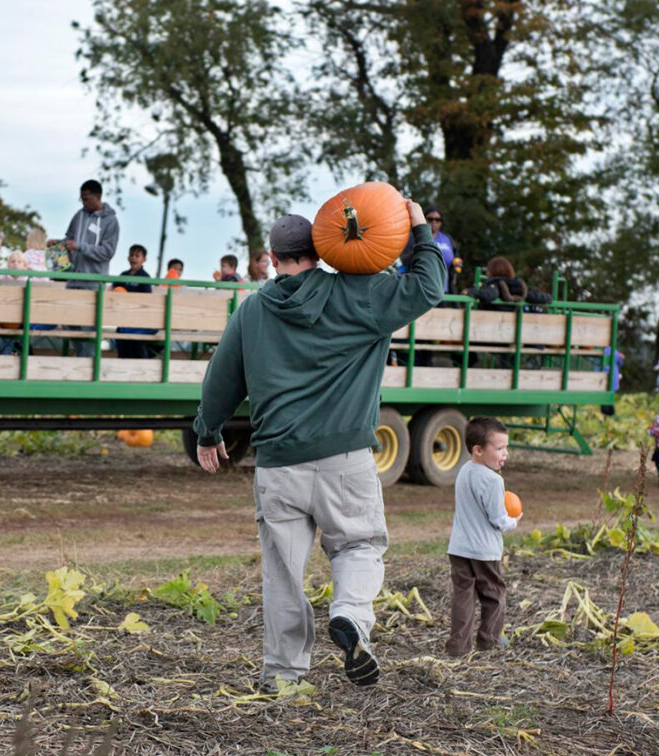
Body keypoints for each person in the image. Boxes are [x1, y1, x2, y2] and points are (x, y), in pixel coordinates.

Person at [193, 202, 444, 691]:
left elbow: (221, 380)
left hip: (278, 465)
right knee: (358, 546)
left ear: (272, 257)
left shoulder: (252, 311)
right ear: (320, 249)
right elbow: (428, 285)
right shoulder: (360, 293)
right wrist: (417, 225)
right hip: (344, 460)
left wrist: (208, 431)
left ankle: (284, 676)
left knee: (283, 574)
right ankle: (350, 615)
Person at [446, 416, 519, 657]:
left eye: (506, 447)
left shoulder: (465, 471)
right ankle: (489, 640)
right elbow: (498, 520)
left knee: (463, 597)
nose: (505, 453)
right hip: (484, 551)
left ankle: (459, 647)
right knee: (494, 595)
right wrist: (514, 521)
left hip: (459, 548)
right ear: (478, 450)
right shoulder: (493, 480)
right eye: (499, 448)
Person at [56, 179, 120, 357]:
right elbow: (69, 238)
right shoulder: (79, 216)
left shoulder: (111, 221)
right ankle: (80, 363)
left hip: (93, 284)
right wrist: (60, 244)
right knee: (71, 326)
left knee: (89, 329)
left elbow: (108, 251)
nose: (83, 202)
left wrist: (80, 247)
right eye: (81, 199)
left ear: (98, 197)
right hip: (73, 281)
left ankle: (90, 366)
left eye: (86, 199)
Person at [399, 205, 460, 293]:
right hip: (420, 288)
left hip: (443, 288)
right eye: (430, 219)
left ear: (441, 222)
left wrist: (457, 262)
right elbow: (404, 259)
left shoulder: (447, 239)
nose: (434, 222)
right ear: (423, 219)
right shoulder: (413, 237)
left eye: (437, 220)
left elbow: (456, 255)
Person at [113, 244, 156, 359]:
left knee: (136, 342)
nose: (134, 258)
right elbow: (113, 290)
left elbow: (147, 299)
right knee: (121, 339)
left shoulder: (145, 277)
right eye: (131, 255)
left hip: (139, 320)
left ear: (144, 259)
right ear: (128, 258)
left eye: (137, 256)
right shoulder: (123, 275)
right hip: (123, 318)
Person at [467, 256, 552, 311]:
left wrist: (471, 292)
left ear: (492, 271)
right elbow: (541, 298)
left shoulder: (496, 284)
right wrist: (548, 297)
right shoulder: (519, 287)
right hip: (512, 328)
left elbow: (490, 295)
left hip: (490, 327)